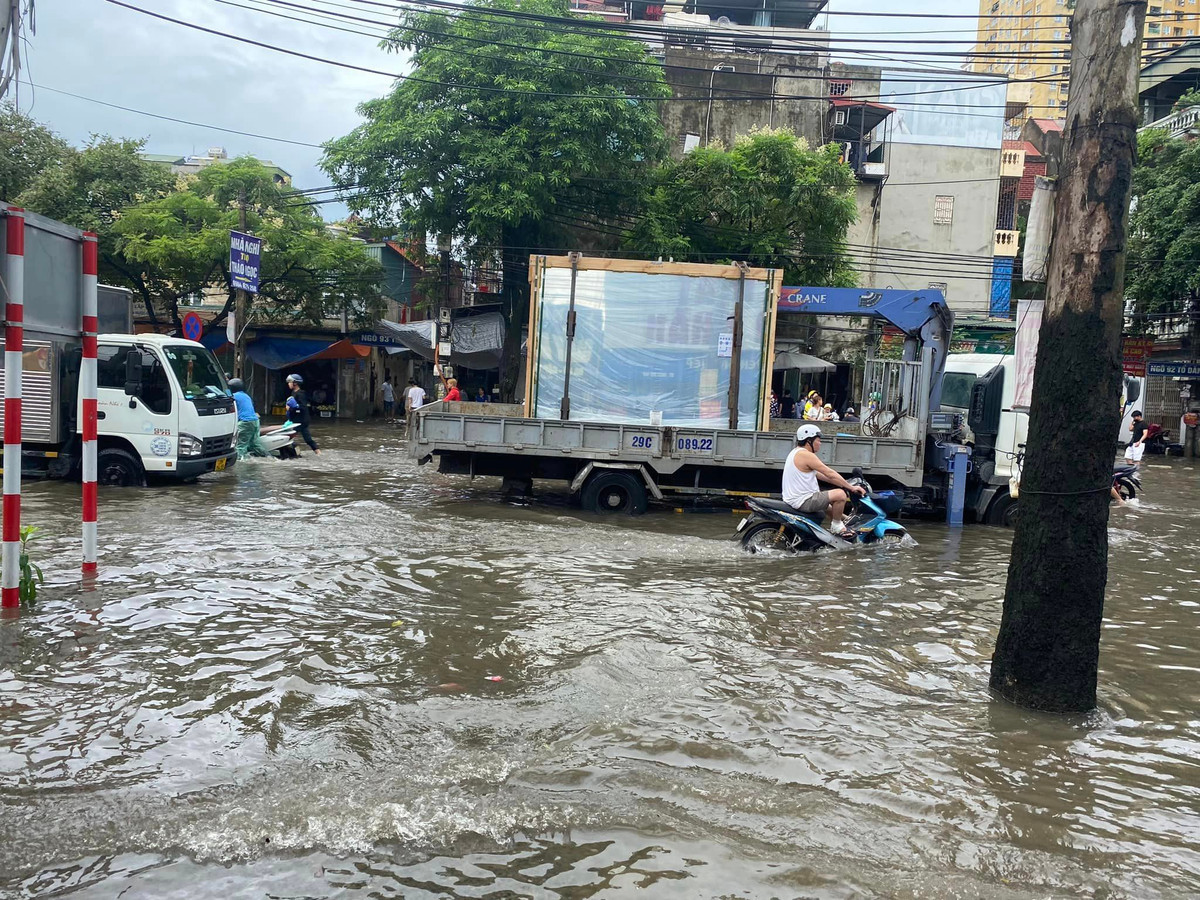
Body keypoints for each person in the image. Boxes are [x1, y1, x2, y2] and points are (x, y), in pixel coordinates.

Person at [783, 424, 867, 538]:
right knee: (840, 495)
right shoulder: (806, 455)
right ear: (809, 441)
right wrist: (850, 488)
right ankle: (836, 527)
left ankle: (845, 521)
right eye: (818, 440)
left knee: (828, 506)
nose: (820, 443)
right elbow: (830, 473)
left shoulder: (795, 452)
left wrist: (844, 482)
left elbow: (821, 475)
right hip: (803, 500)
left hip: (796, 498)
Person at [229, 377, 268, 458]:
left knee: (240, 446)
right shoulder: (246, 396)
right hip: (255, 421)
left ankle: (240, 465)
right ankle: (270, 458)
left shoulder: (234, 396)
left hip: (245, 422)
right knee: (255, 444)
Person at [284, 373, 320, 455]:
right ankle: (318, 453)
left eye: (290, 382)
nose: (288, 384)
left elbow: (303, 407)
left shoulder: (301, 394)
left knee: (287, 436)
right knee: (308, 439)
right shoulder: (294, 393)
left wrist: (292, 408)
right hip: (297, 420)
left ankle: (288, 453)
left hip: (301, 421)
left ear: (295, 383)